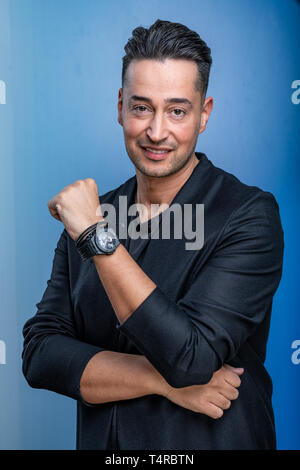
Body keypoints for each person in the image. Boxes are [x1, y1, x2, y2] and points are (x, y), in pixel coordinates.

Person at [22, 19, 284, 450]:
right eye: (141, 108)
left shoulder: (248, 215)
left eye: (177, 111)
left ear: (204, 114)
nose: (157, 132)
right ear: (121, 105)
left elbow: (191, 357)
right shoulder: (94, 210)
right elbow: (41, 355)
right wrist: (160, 382)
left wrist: (94, 234)